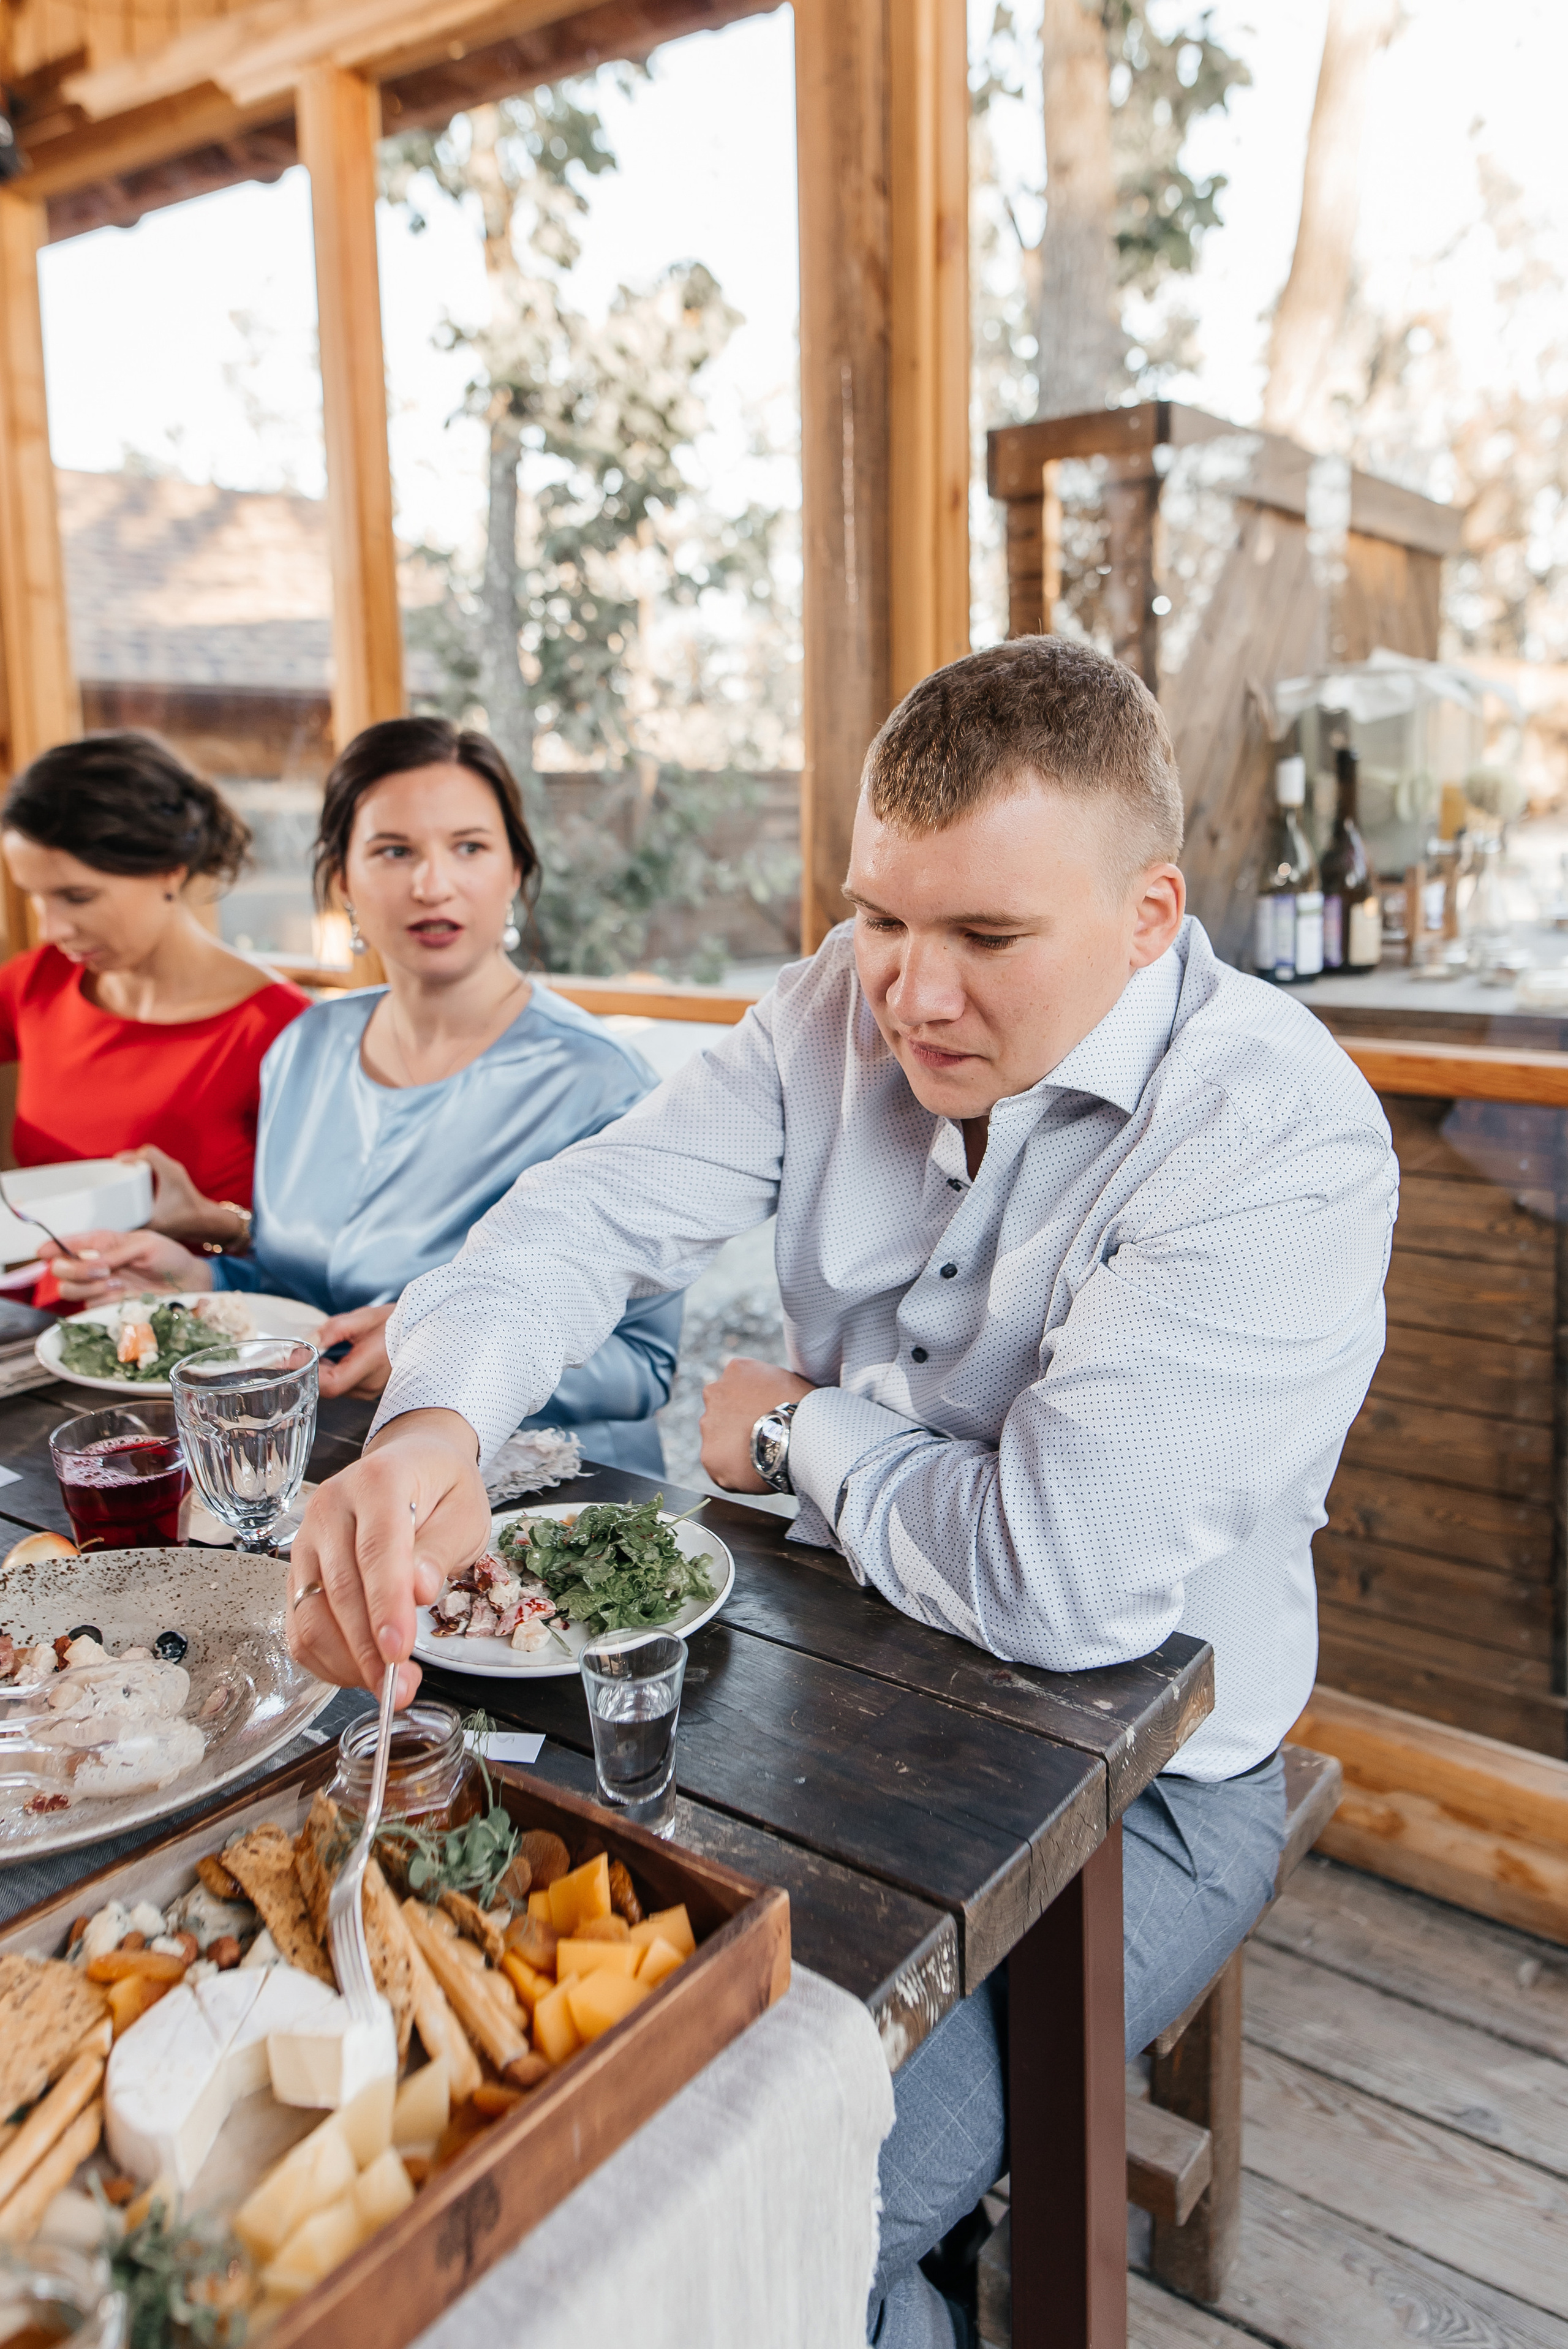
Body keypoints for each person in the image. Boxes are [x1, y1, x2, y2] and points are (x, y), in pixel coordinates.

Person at [282, 639, 1396, 2346]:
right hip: (821, 1667)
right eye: (884, 915)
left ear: (1153, 915)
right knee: (522, 2104)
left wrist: (805, 1434)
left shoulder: (1277, 1132)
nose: (910, 995)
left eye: (988, 938)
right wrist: (435, 1418)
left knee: (774, 2201)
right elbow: (585, 1213)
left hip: (1148, 1768)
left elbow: (1060, 1575)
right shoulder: (836, 998)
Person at [50, 716, 682, 1474]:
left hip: (539, 1493)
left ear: (514, 870)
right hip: (313, 1463)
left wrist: (441, 1354)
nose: (432, 883)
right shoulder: (304, 1049)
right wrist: (201, 1280)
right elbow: (300, 1292)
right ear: (343, 879)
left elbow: (643, 1364)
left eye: (470, 847)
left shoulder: (602, 1083)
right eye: (393, 851)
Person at [0, 732, 311, 1278]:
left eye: (77, 897)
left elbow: (326, 1253)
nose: (52, 928)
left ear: (171, 868)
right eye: (35, 895)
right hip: (38, 1321)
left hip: (191, 1332)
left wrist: (214, 1222)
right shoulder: (35, 983)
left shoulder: (281, 1029)